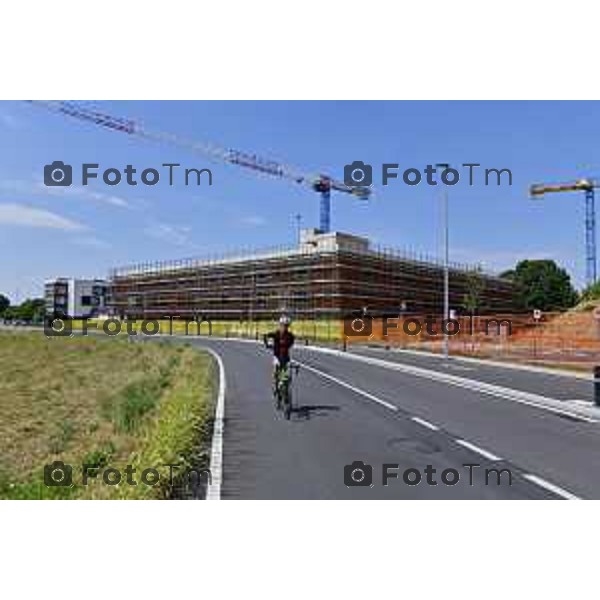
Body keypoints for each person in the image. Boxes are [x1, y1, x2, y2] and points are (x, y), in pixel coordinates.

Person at [264, 315, 295, 393]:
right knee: (276, 371)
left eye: (286, 326)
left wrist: (284, 345)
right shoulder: (276, 333)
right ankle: (275, 386)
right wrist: (267, 344)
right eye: (283, 325)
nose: (284, 327)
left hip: (285, 357)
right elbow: (266, 336)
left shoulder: (290, 336)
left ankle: (287, 392)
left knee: (286, 374)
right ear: (280, 325)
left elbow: (290, 344)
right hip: (277, 356)